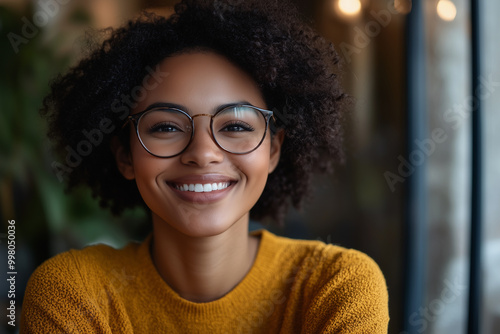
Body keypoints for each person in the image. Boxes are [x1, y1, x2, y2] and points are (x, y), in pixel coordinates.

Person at [20, 0, 389, 332]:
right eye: (165, 126)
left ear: (274, 150)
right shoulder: (72, 295)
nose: (203, 153)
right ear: (125, 156)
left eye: (235, 126)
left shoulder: (336, 287)